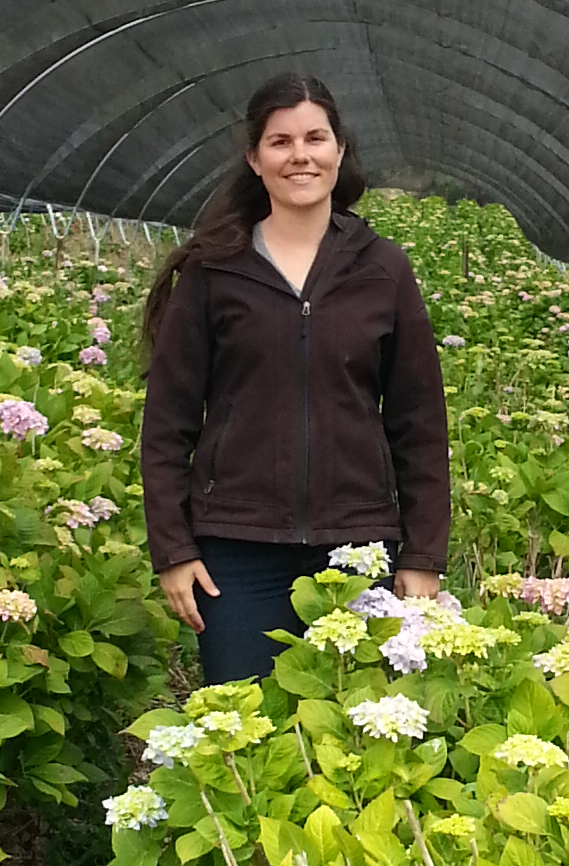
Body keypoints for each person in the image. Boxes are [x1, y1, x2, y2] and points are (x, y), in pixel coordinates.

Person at [140, 73, 450, 684]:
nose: (300, 155)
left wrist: (420, 556)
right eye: (280, 142)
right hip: (237, 550)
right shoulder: (213, 271)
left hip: (359, 549)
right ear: (255, 159)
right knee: (242, 733)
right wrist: (175, 550)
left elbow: (418, 424)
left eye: (315, 138)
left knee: (355, 739)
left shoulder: (382, 269)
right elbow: (168, 423)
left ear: (339, 151)